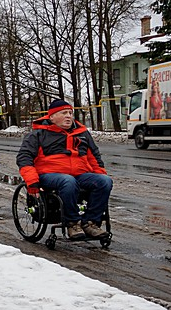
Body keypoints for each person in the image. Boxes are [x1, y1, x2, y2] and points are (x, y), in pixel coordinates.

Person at [16, 98, 112, 241]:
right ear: (52, 117)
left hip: (78, 175)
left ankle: (90, 223)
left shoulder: (82, 134)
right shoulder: (37, 135)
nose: (68, 116)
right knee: (68, 181)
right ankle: (72, 223)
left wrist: (99, 175)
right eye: (63, 113)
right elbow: (24, 157)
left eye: (70, 113)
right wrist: (32, 181)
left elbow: (94, 158)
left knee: (105, 181)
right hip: (48, 175)